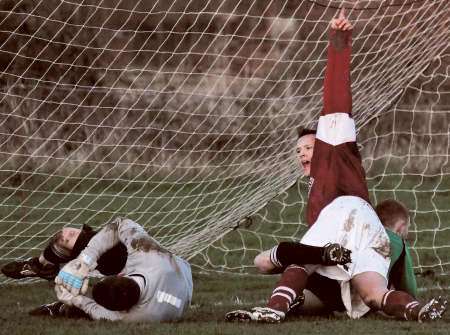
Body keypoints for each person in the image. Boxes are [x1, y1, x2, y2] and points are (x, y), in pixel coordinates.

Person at [225, 8, 447, 323]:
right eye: (299, 150)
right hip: (365, 228)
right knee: (373, 293)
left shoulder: (334, 153)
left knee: (299, 261)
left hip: (345, 212)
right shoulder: (319, 186)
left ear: (326, 142)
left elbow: (336, 100)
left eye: (308, 147)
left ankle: (273, 310)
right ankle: (414, 309)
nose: (303, 153)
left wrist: (338, 40)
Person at [35, 217, 193, 322]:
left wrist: (74, 299)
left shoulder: (134, 316)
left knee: (108, 256)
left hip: (182, 291)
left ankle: (60, 308)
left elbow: (98, 311)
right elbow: (120, 223)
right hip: (181, 274)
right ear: (121, 276)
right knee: (112, 245)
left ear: (121, 274)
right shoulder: (147, 255)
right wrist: (84, 260)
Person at [1, 224, 128, 280]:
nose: (66, 235)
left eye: (63, 234)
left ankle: (40, 266)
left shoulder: (91, 238)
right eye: (66, 241)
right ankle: (40, 266)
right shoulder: (89, 247)